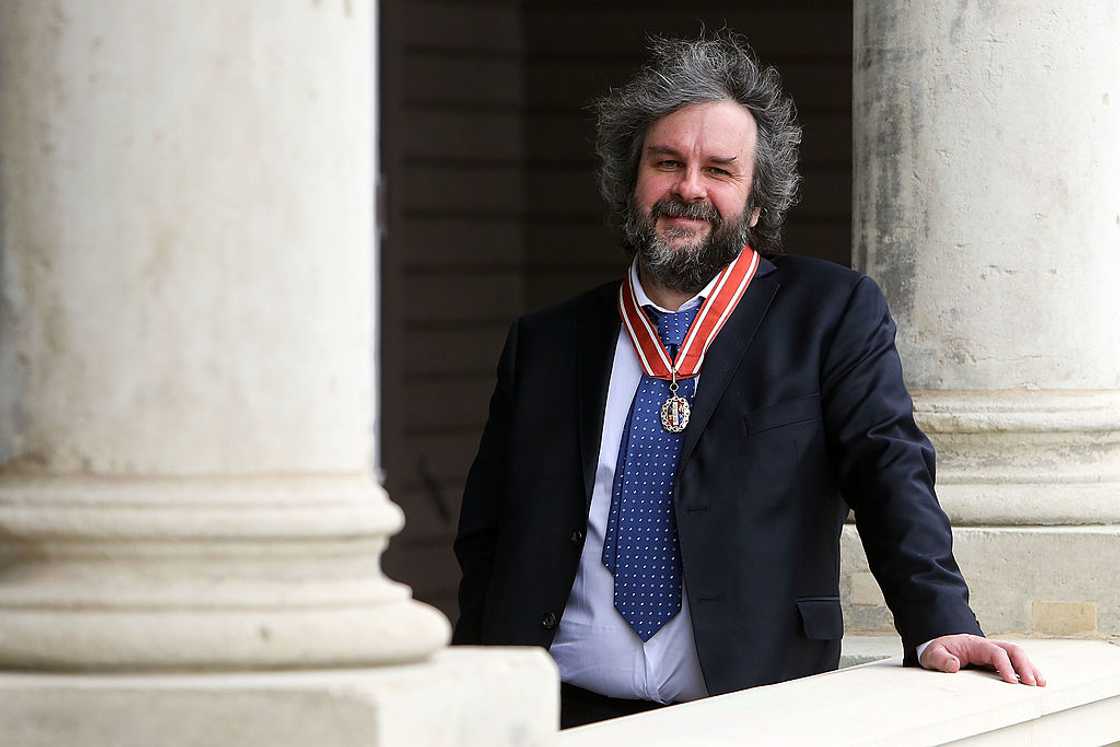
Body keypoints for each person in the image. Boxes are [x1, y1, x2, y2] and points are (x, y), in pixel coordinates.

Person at [452, 32, 1044, 729]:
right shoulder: (546, 342)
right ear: (630, 181)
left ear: (757, 203)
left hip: (753, 714)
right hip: (556, 716)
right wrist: (474, 691)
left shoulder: (828, 314)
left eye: (719, 170)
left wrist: (940, 618)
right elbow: (486, 536)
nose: (688, 187)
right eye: (665, 162)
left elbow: (890, 471)